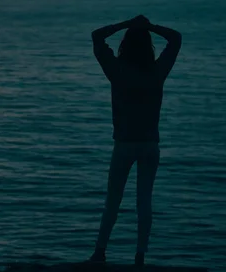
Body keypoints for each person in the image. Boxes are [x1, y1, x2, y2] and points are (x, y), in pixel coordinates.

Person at [88, 15, 182, 267]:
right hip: (150, 145)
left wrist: (126, 24)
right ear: (148, 46)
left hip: (124, 144)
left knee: (113, 201)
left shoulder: (117, 71)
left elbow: (96, 36)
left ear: (125, 46)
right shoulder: (157, 72)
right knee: (144, 201)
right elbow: (176, 38)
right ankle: (139, 256)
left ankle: (100, 252)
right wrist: (148, 27)